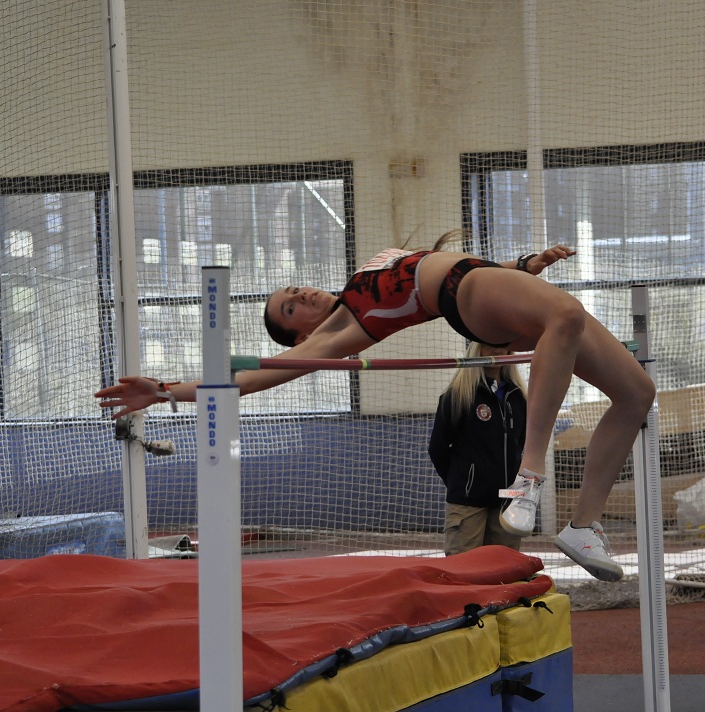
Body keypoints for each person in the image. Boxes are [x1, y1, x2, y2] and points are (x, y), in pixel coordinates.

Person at [96, 231, 656, 581]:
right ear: (299, 338)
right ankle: (530, 475)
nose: (304, 296)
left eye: (296, 289)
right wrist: (167, 390)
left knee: (636, 394)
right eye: (293, 308)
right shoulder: (338, 332)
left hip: (487, 283)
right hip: (467, 294)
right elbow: (247, 381)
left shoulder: (354, 285)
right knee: (565, 316)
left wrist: (522, 269)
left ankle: (584, 525)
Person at [428, 341, 528, 555]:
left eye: (502, 344)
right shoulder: (459, 395)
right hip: (467, 504)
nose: (497, 349)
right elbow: (437, 448)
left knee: (504, 570)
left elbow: (521, 445)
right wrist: (464, 483)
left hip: (507, 502)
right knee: (464, 571)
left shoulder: (518, 398)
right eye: (490, 343)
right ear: (476, 348)